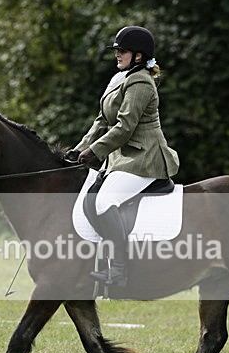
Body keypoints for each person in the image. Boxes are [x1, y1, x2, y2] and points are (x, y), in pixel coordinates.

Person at [69, 25, 179, 287]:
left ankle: (119, 269)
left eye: (123, 51)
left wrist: (93, 152)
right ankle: (104, 260)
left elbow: (124, 127)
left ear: (138, 56)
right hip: (122, 158)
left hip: (145, 158)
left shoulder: (141, 82)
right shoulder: (120, 79)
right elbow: (101, 121)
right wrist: (79, 148)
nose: (117, 54)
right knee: (91, 198)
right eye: (117, 50)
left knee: (104, 201)